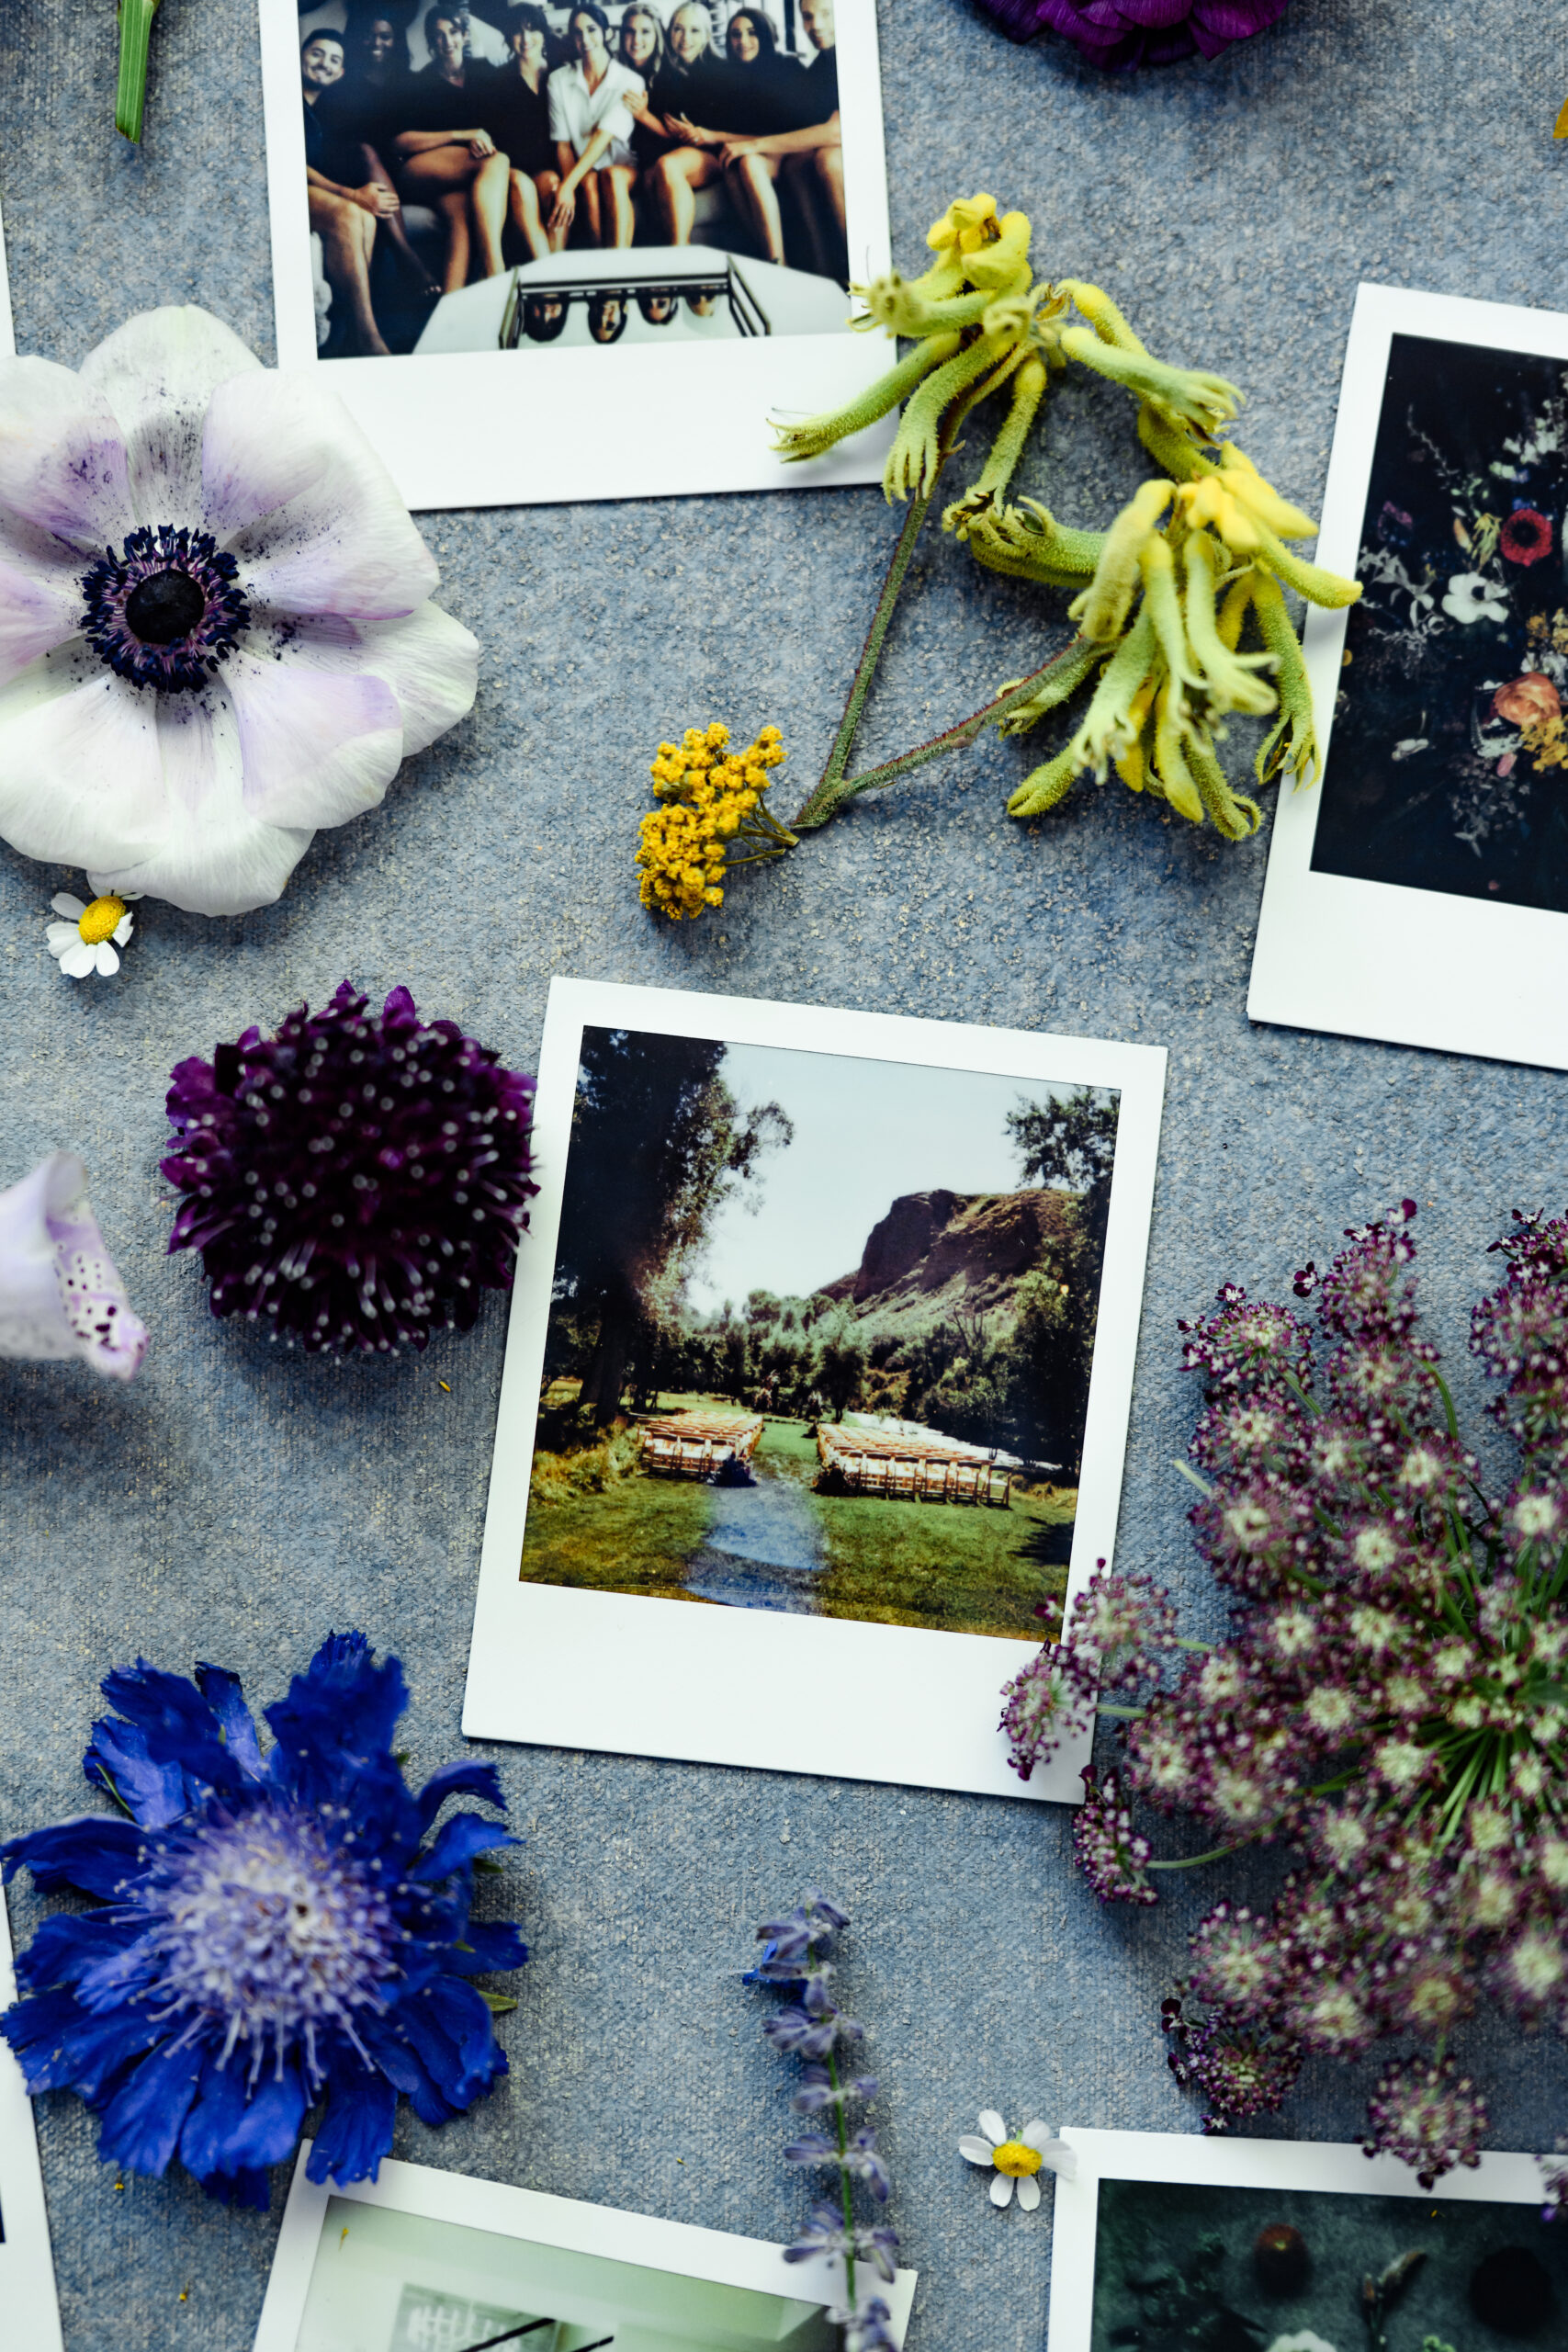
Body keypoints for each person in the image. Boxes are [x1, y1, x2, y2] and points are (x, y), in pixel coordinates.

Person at [390, 6, 511, 291]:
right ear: (432, 41)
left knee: (461, 219)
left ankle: (448, 312)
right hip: (420, 171)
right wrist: (459, 134)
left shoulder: (484, 72)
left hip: (460, 178)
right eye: (439, 36)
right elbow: (400, 142)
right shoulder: (420, 82)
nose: (447, 41)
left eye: (453, 32)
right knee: (497, 161)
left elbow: (505, 121)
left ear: (465, 35)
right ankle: (495, 271)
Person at [329, 9, 442, 300]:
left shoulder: (407, 82)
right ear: (359, 39)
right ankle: (408, 259)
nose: (376, 42)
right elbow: (335, 140)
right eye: (369, 36)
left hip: (398, 173)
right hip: (355, 172)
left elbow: (417, 133)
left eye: (385, 36)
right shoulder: (342, 80)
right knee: (366, 151)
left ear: (395, 41)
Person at [301, 29, 396, 356]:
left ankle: (346, 326)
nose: (324, 64)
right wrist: (352, 195)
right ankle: (366, 334)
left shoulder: (318, 113)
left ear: (340, 73)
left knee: (366, 220)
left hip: (311, 190)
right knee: (349, 211)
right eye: (317, 54)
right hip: (290, 189)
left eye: (334, 60)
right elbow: (293, 165)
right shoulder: (290, 101)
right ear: (301, 56)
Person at [546, 3, 644, 251]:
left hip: (622, 167)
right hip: (582, 170)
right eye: (577, 33)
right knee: (590, 183)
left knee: (609, 177)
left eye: (591, 29)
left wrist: (567, 185)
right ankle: (602, 272)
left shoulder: (631, 81)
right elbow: (563, 145)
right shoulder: (558, 80)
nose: (585, 38)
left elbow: (602, 137)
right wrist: (574, 184)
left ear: (607, 33)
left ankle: (617, 270)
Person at [480, 4, 558, 262]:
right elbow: (489, 135)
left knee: (555, 188)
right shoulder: (497, 81)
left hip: (547, 168)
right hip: (511, 168)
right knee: (523, 187)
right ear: (509, 36)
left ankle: (560, 274)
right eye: (518, 32)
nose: (525, 39)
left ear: (543, 34)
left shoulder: (558, 74)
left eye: (532, 30)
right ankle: (547, 277)